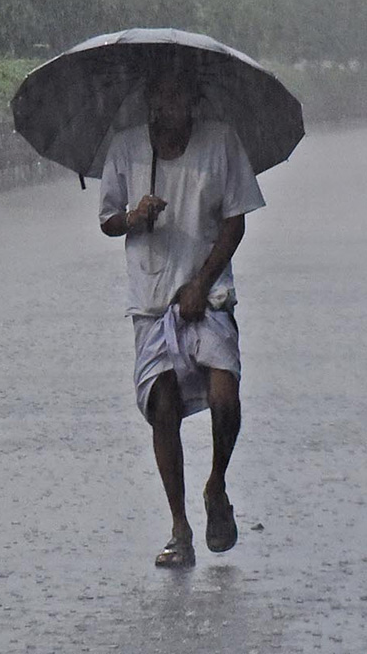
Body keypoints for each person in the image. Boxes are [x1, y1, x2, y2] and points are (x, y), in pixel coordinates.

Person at [98, 59, 266, 569]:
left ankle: (216, 485)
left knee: (225, 392)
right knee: (163, 408)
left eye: (173, 100)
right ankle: (179, 528)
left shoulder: (220, 143)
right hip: (151, 303)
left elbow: (235, 223)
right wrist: (133, 217)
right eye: (156, 100)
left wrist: (201, 282)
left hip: (208, 297)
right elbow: (107, 219)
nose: (162, 111)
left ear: (193, 103)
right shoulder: (126, 149)